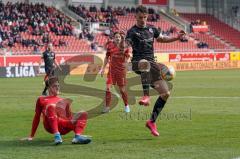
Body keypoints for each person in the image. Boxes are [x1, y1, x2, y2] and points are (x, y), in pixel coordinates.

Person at [125, 5, 185, 136]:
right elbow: (126, 45)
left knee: (165, 94)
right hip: (137, 63)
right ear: (135, 17)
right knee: (144, 63)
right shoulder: (132, 31)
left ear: (147, 17)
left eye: (144, 17)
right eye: (140, 17)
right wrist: (123, 48)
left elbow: (162, 39)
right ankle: (146, 96)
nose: (142, 20)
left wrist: (176, 37)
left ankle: (151, 121)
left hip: (151, 65)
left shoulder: (152, 29)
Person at [21, 76, 92, 145]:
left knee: (83, 113)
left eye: (58, 85)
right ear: (49, 88)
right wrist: (31, 136)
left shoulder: (63, 101)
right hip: (49, 126)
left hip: (63, 126)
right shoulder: (41, 99)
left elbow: (69, 118)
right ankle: (57, 136)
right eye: (55, 86)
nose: (58, 87)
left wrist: (77, 129)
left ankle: (78, 136)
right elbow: (37, 117)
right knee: (51, 106)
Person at [100, 32, 130, 113]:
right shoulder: (110, 46)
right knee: (108, 88)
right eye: (116, 37)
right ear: (114, 38)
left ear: (121, 38)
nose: (117, 38)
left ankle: (126, 105)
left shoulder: (125, 46)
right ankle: (107, 107)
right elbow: (107, 57)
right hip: (111, 71)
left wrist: (126, 66)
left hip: (121, 71)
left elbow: (127, 58)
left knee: (122, 90)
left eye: (119, 37)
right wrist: (103, 68)